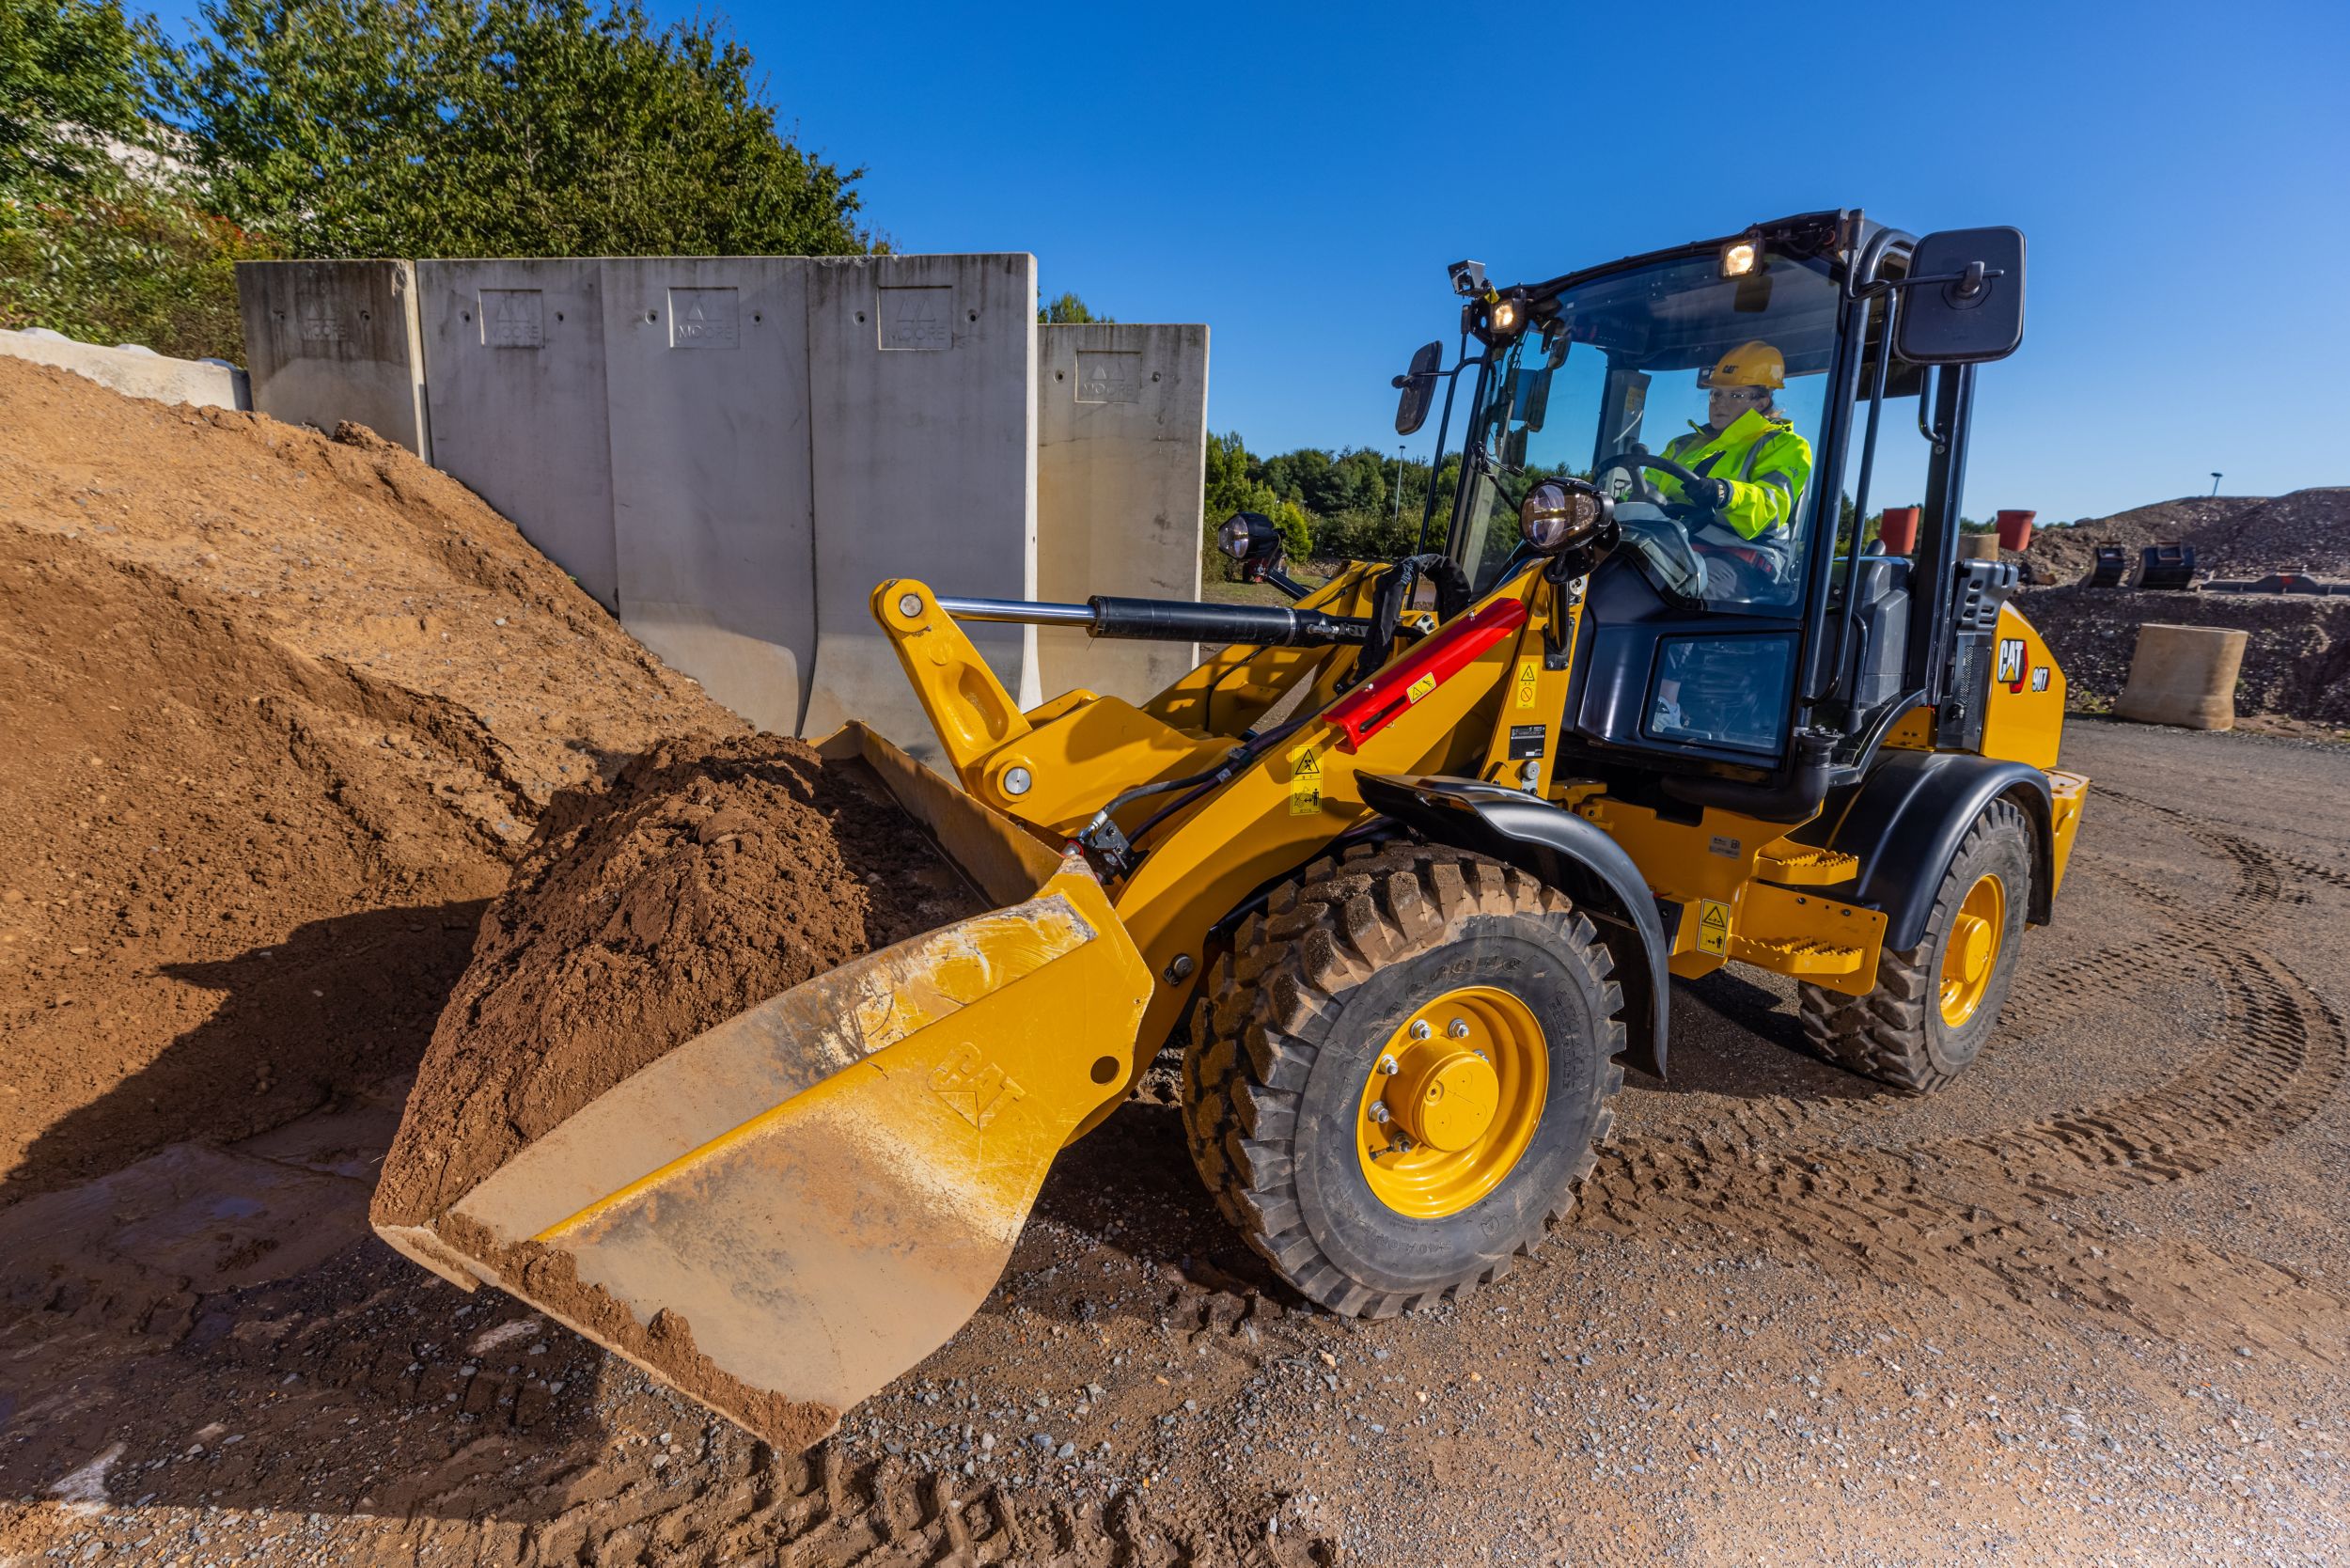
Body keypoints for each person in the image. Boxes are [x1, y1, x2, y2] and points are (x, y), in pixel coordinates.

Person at [1650, 339, 1812, 597]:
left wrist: (1725, 492)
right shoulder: (1682, 445)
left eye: (1735, 395)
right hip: (1676, 544)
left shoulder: (1785, 446)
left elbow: (1771, 510)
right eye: (1716, 394)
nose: (1719, 403)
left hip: (1744, 557)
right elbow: (1644, 488)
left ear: (1762, 401)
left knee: (1686, 597)